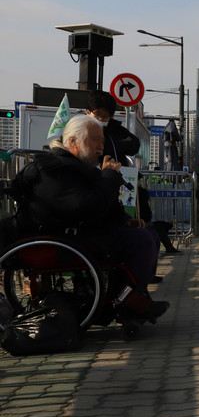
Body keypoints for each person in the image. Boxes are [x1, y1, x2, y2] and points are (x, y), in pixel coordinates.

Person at [13, 115, 166, 322]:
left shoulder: (73, 167)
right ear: (73, 141)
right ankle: (127, 301)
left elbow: (96, 205)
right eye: (95, 139)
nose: (101, 146)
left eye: (102, 140)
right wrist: (109, 177)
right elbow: (88, 206)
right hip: (67, 240)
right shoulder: (57, 170)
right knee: (141, 240)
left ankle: (131, 295)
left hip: (81, 233)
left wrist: (123, 220)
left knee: (148, 232)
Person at [85, 90, 140, 166]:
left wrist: (115, 145)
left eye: (104, 116)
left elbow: (135, 144)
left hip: (115, 171)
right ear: (88, 112)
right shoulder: (81, 127)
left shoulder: (115, 127)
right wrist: (119, 143)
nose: (100, 118)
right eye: (97, 114)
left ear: (111, 116)